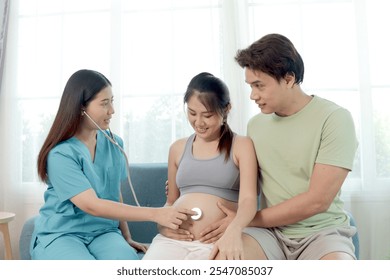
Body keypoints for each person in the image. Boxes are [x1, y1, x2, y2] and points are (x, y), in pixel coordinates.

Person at [198, 33, 359, 260]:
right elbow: (245, 180)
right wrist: (189, 180)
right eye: (250, 86)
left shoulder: (335, 119)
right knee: (223, 260)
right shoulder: (256, 125)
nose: (253, 95)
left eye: (259, 85)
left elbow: (317, 200)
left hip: (321, 234)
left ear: (289, 79)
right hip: (269, 235)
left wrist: (245, 220)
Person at [31, 69, 194, 260]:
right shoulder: (60, 154)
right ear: (81, 108)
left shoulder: (114, 143)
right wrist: (156, 214)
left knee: (127, 264)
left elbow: (115, 193)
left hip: (103, 232)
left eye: (112, 101)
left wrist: (126, 237)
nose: (112, 111)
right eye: (104, 103)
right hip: (63, 233)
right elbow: (91, 205)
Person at [142, 72, 259, 260]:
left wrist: (235, 227)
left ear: (226, 110)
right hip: (173, 240)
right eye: (192, 113)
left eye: (207, 115)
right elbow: (171, 202)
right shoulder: (177, 148)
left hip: (217, 240)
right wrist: (162, 226)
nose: (198, 122)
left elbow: (248, 200)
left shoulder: (242, 145)